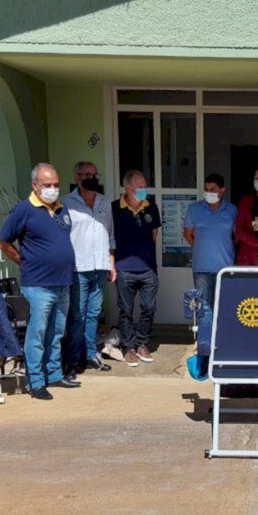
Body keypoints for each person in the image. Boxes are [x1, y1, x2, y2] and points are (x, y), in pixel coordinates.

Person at [0, 163, 79, 400]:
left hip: (63, 282)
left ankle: (54, 374)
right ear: (35, 185)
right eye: (47, 185)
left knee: (57, 332)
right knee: (37, 334)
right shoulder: (24, 210)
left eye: (55, 184)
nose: (53, 189)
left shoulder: (62, 209)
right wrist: (22, 261)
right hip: (38, 284)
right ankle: (36, 381)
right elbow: (2, 241)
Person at [63, 160, 115, 376]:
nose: (91, 178)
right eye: (86, 174)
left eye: (94, 174)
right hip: (79, 267)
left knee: (94, 314)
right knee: (78, 316)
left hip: (100, 266)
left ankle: (91, 355)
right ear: (77, 177)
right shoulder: (66, 203)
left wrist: (112, 262)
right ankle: (73, 360)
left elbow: (110, 235)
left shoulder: (104, 202)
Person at [111, 169, 161, 368]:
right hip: (124, 268)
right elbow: (110, 238)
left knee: (149, 307)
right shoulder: (115, 208)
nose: (143, 189)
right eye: (139, 186)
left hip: (148, 268)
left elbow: (154, 234)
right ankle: (129, 348)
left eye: (144, 186)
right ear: (128, 188)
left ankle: (142, 343)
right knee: (126, 310)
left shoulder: (151, 207)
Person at [183, 172, 237, 331]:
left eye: (213, 189)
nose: (209, 192)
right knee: (204, 306)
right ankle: (206, 343)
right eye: (206, 189)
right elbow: (187, 234)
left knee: (224, 305)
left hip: (225, 267)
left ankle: (222, 341)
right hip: (201, 267)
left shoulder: (232, 210)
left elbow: (237, 237)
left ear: (222, 191)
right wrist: (200, 247)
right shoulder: (195, 209)